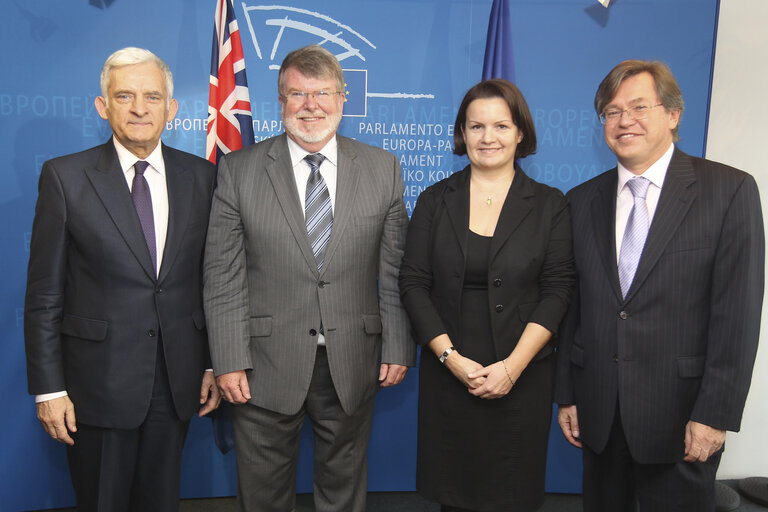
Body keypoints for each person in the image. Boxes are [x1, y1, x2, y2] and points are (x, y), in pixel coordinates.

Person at [203, 44, 415, 512]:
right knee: (262, 496)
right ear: (280, 103)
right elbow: (222, 274)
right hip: (261, 366)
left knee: (343, 492)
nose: (310, 105)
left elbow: (394, 267)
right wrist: (229, 359)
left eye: (322, 94)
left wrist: (398, 344)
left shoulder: (383, 169)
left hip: (354, 361)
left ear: (343, 99)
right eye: (297, 94)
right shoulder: (239, 170)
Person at [554, 60, 764, 512]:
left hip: (683, 420)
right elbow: (573, 310)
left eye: (638, 106)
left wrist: (715, 414)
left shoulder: (729, 192)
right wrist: (568, 394)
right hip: (600, 414)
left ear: (673, 114)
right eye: (611, 112)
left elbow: (738, 317)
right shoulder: (579, 201)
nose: (624, 120)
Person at [24, 47, 221, 511]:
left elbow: (211, 281)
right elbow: (44, 295)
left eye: (152, 97)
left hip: (176, 383)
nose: (139, 108)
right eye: (125, 96)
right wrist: (50, 389)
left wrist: (212, 362)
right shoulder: (65, 178)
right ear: (103, 105)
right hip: (96, 386)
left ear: (171, 109)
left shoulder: (204, 176)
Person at [399, 79, 575, 512]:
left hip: (522, 378)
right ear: (462, 133)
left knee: (512, 495)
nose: (488, 138)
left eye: (501, 125)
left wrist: (512, 368)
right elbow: (413, 284)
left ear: (520, 133)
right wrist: (451, 360)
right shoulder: (435, 200)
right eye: (476, 126)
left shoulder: (551, 205)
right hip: (450, 376)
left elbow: (557, 290)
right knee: (453, 497)